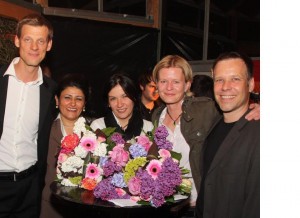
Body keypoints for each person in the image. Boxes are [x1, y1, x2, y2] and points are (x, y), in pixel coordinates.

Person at [151, 55, 260, 218]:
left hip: (194, 205)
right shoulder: (156, 116)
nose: (169, 87)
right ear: (157, 85)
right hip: (163, 206)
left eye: (176, 82)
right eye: (163, 81)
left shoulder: (205, 109)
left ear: (187, 84)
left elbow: (235, 109)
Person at [0, 14, 56, 218]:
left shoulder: (51, 92)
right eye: (27, 39)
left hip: (29, 190)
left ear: (48, 45)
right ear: (16, 41)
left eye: (40, 40)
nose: (34, 47)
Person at [195, 51, 259, 218]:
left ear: (251, 84)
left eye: (235, 79)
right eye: (219, 80)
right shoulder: (214, 123)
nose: (225, 87)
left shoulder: (259, 133)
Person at [40, 73, 93, 218]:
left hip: (84, 207)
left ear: (84, 104)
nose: (73, 104)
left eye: (79, 99)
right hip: (50, 206)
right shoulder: (45, 129)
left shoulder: (94, 132)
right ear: (57, 100)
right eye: (67, 97)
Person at [91, 73, 153, 140]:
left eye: (125, 96)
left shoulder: (148, 127)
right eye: (113, 99)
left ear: (134, 98)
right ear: (108, 103)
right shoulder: (98, 126)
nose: (119, 104)